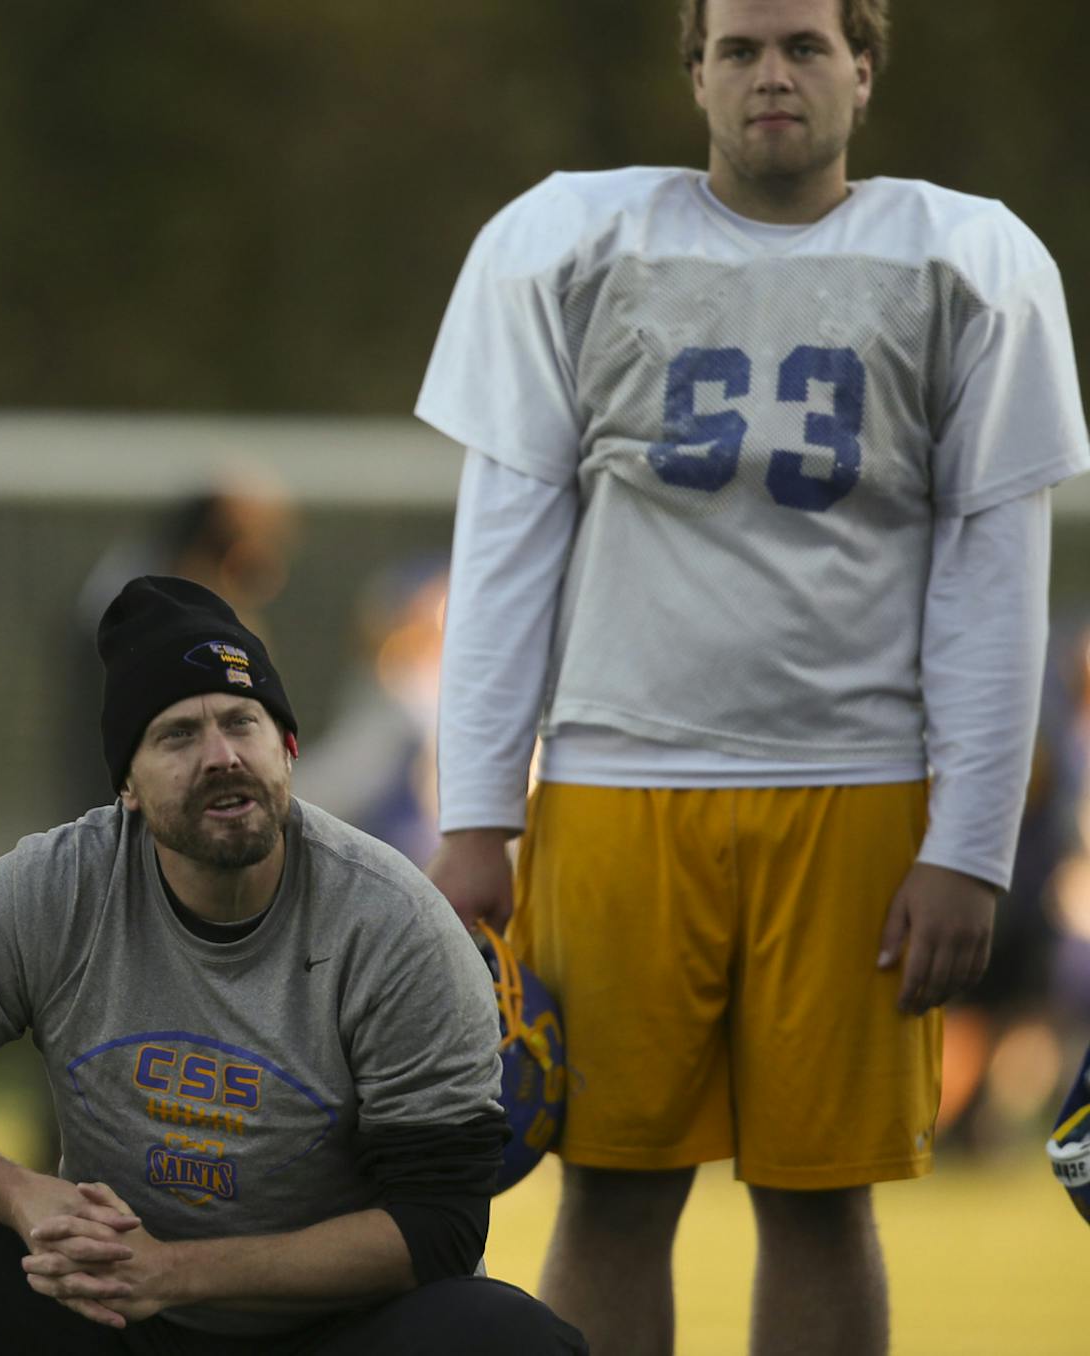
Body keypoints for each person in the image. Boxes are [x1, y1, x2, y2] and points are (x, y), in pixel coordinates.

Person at [416, 1, 1090, 1352]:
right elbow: (503, 550)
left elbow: (994, 573)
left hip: (856, 794)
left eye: (802, 47)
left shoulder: (968, 259)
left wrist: (969, 841)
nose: (771, 75)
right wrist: (477, 818)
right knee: (608, 1192)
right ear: (696, 71)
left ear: (863, 66)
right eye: (740, 48)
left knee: (824, 1200)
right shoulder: (572, 243)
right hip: (616, 787)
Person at [0, 576, 585, 1355]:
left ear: (288, 746)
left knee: (510, 1337)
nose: (221, 755)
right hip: (104, 1315)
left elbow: (441, 1225)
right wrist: (22, 1196)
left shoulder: (393, 922)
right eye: (178, 735)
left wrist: (174, 1272)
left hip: (327, 1332)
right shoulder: (61, 886)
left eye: (242, 722)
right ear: (129, 789)